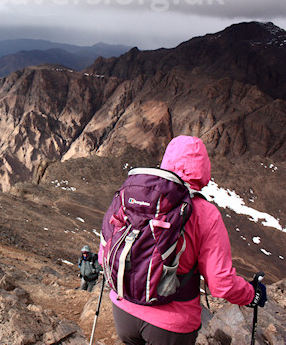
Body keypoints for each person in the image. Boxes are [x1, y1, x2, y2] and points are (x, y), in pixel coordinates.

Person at [101, 135, 267, 344]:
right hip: (170, 325)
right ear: (204, 167)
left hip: (123, 311)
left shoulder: (130, 198)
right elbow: (220, 283)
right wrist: (252, 294)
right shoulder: (205, 213)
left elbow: (104, 252)